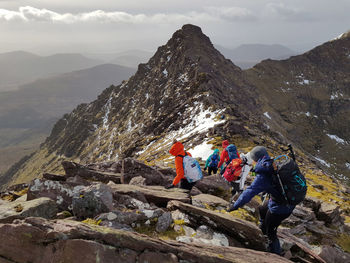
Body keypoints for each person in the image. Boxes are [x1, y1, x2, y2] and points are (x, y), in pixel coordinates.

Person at [227, 146, 295, 255]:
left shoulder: (264, 175)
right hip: (284, 199)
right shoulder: (273, 163)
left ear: (255, 159)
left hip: (282, 206)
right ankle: (263, 231)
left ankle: (275, 255)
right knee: (262, 209)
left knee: (271, 231)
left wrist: (235, 205)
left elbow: (248, 192)